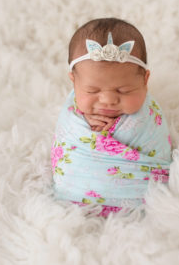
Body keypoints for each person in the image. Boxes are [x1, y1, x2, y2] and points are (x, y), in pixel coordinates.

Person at [51, 18, 172, 217]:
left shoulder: (147, 116)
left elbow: (154, 142)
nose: (107, 100)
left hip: (138, 202)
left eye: (123, 90)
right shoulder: (72, 109)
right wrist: (88, 126)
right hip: (73, 201)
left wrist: (118, 132)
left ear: (145, 80)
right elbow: (69, 138)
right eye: (92, 90)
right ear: (74, 82)